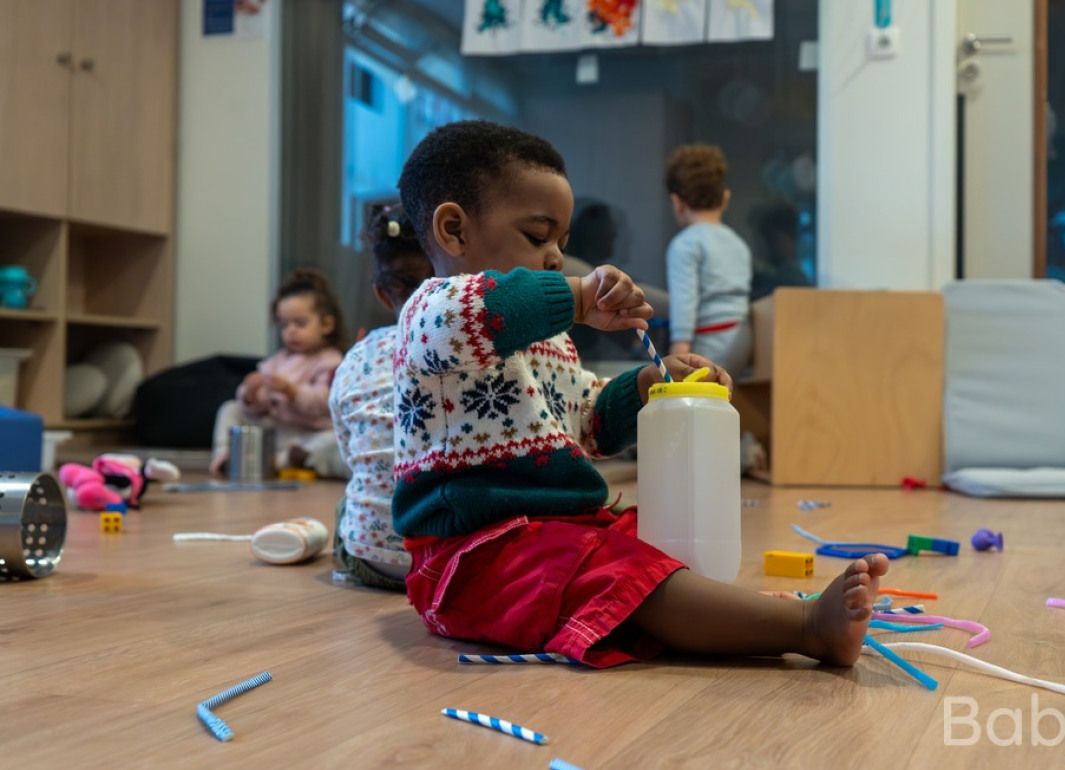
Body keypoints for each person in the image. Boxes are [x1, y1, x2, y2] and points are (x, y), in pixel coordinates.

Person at [389, 119, 888, 668]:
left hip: (550, 534)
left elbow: (589, 420)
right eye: (538, 237)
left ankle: (741, 616)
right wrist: (578, 297)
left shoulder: (546, 339)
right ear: (454, 230)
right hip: (471, 559)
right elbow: (497, 307)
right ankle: (803, 627)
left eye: (563, 242)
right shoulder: (432, 313)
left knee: (650, 545)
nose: (556, 257)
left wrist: (650, 385)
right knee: (616, 570)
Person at [328, 203, 433, 590]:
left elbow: (348, 449)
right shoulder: (473, 346)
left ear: (381, 294)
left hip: (370, 558)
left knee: (349, 502)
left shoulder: (359, 354)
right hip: (449, 563)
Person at [210, 268, 346, 478]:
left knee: (335, 440)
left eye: (300, 323)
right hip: (278, 433)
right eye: (284, 325)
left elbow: (325, 402)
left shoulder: (331, 361)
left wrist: (293, 392)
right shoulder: (277, 361)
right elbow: (258, 408)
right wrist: (250, 395)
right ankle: (227, 455)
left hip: (311, 434)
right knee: (230, 409)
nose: (290, 331)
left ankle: (287, 460)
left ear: (326, 324)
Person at [663, 144, 753, 375]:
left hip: (710, 340)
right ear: (725, 199)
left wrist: (679, 349)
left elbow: (685, 301)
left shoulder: (685, 244)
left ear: (677, 202)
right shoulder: (738, 243)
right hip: (742, 337)